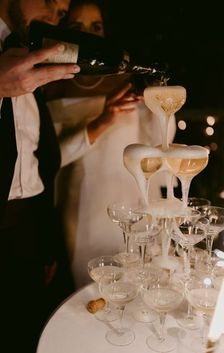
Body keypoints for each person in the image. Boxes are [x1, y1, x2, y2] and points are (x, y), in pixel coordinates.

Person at [46, 0, 177, 289]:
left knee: (144, 286)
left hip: (139, 202)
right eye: (77, 26)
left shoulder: (129, 78)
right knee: (95, 290)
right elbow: (49, 160)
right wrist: (104, 120)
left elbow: (163, 142)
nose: (89, 34)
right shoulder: (51, 84)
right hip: (85, 209)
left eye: (96, 26)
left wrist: (161, 103)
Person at [0, 1, 81, 352]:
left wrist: (46, 243)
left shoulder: (31, 55)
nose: (53, 16)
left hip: (28, 231)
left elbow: (36, 164)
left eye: (61, 12)